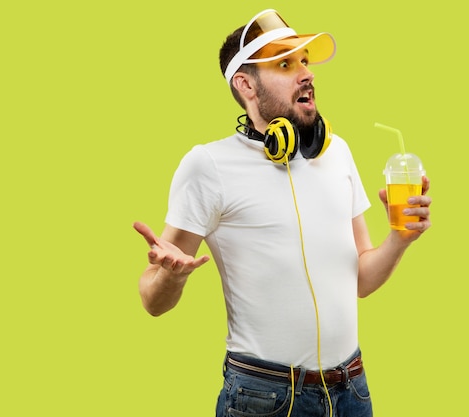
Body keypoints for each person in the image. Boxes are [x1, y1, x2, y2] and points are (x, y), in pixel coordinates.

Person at [133, 9, 432, 417]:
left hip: (352, 391)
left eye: (305, 60)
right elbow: (153, 299)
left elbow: (361, 278)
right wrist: (171, 274)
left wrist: (400, 239)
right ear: (245, 84)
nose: (306, 73)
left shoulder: (337, 153)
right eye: (285, 63)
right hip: (264, 398)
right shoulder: (209, 165)